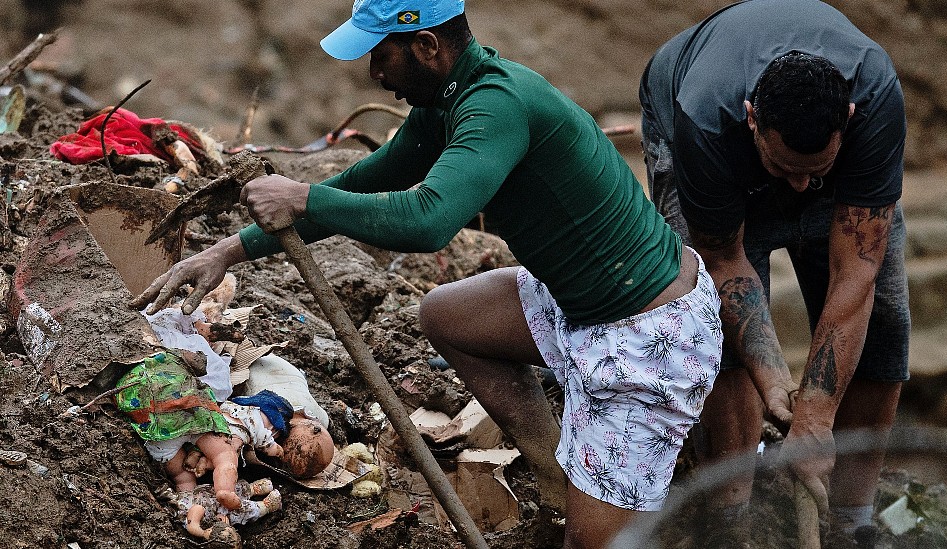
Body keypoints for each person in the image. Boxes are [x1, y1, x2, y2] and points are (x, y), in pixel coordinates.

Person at [131, 0, 723, 547]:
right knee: (447, 314)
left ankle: (605, 506)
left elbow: (429, 221)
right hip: (579, 304)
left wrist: (303, 197)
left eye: (381, 53)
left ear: (428, 46)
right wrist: (229, 251)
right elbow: (364, 183)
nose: (374, 74)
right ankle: (555, 476)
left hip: (647, 334)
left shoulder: (495, 106)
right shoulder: (443, 104)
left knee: (596, 546)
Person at [638, 0, 909, 546]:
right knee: (717, 336)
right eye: (785, 169)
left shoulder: (876, 100)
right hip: (706, 146)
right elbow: (725, 263)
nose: (802, 188)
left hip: (800, 147)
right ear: (752, 117)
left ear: (849, 120)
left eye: (819, 170)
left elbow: (856, 278)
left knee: (883, 322)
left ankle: (851, 516)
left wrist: (816, 411)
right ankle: (733, 517)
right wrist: (775, 380)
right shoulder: (705, 116)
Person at [115, 353, 334, 521]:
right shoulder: (266, 420)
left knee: (182, 472)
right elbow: (266, 442)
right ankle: (222, 491)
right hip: (193, 422)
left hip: (158, 430)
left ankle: (188, 502)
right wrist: (276, 449)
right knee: (224, 458)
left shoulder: (238, 405)